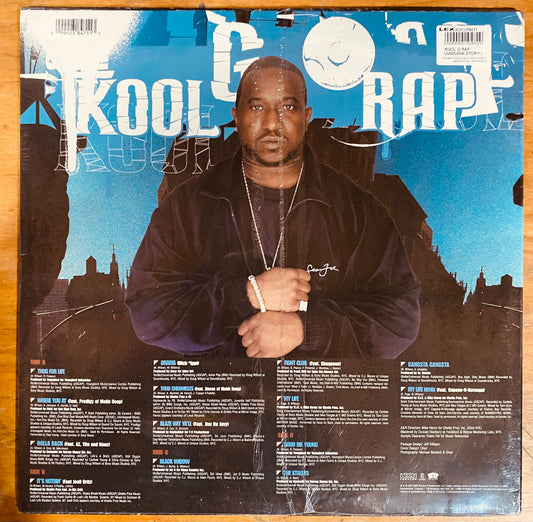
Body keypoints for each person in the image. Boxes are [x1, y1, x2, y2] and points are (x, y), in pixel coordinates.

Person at [125, 56, 420, 358]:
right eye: (256, 107)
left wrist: (308, 330)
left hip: (313, 389)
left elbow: (401, 318)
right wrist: (246, 294)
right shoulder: (186, 207)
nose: (270, 123)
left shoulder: (359, 211)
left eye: (287, 107)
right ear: (236, 117)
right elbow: (147, 312)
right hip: (222, 388)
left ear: (307, 117)